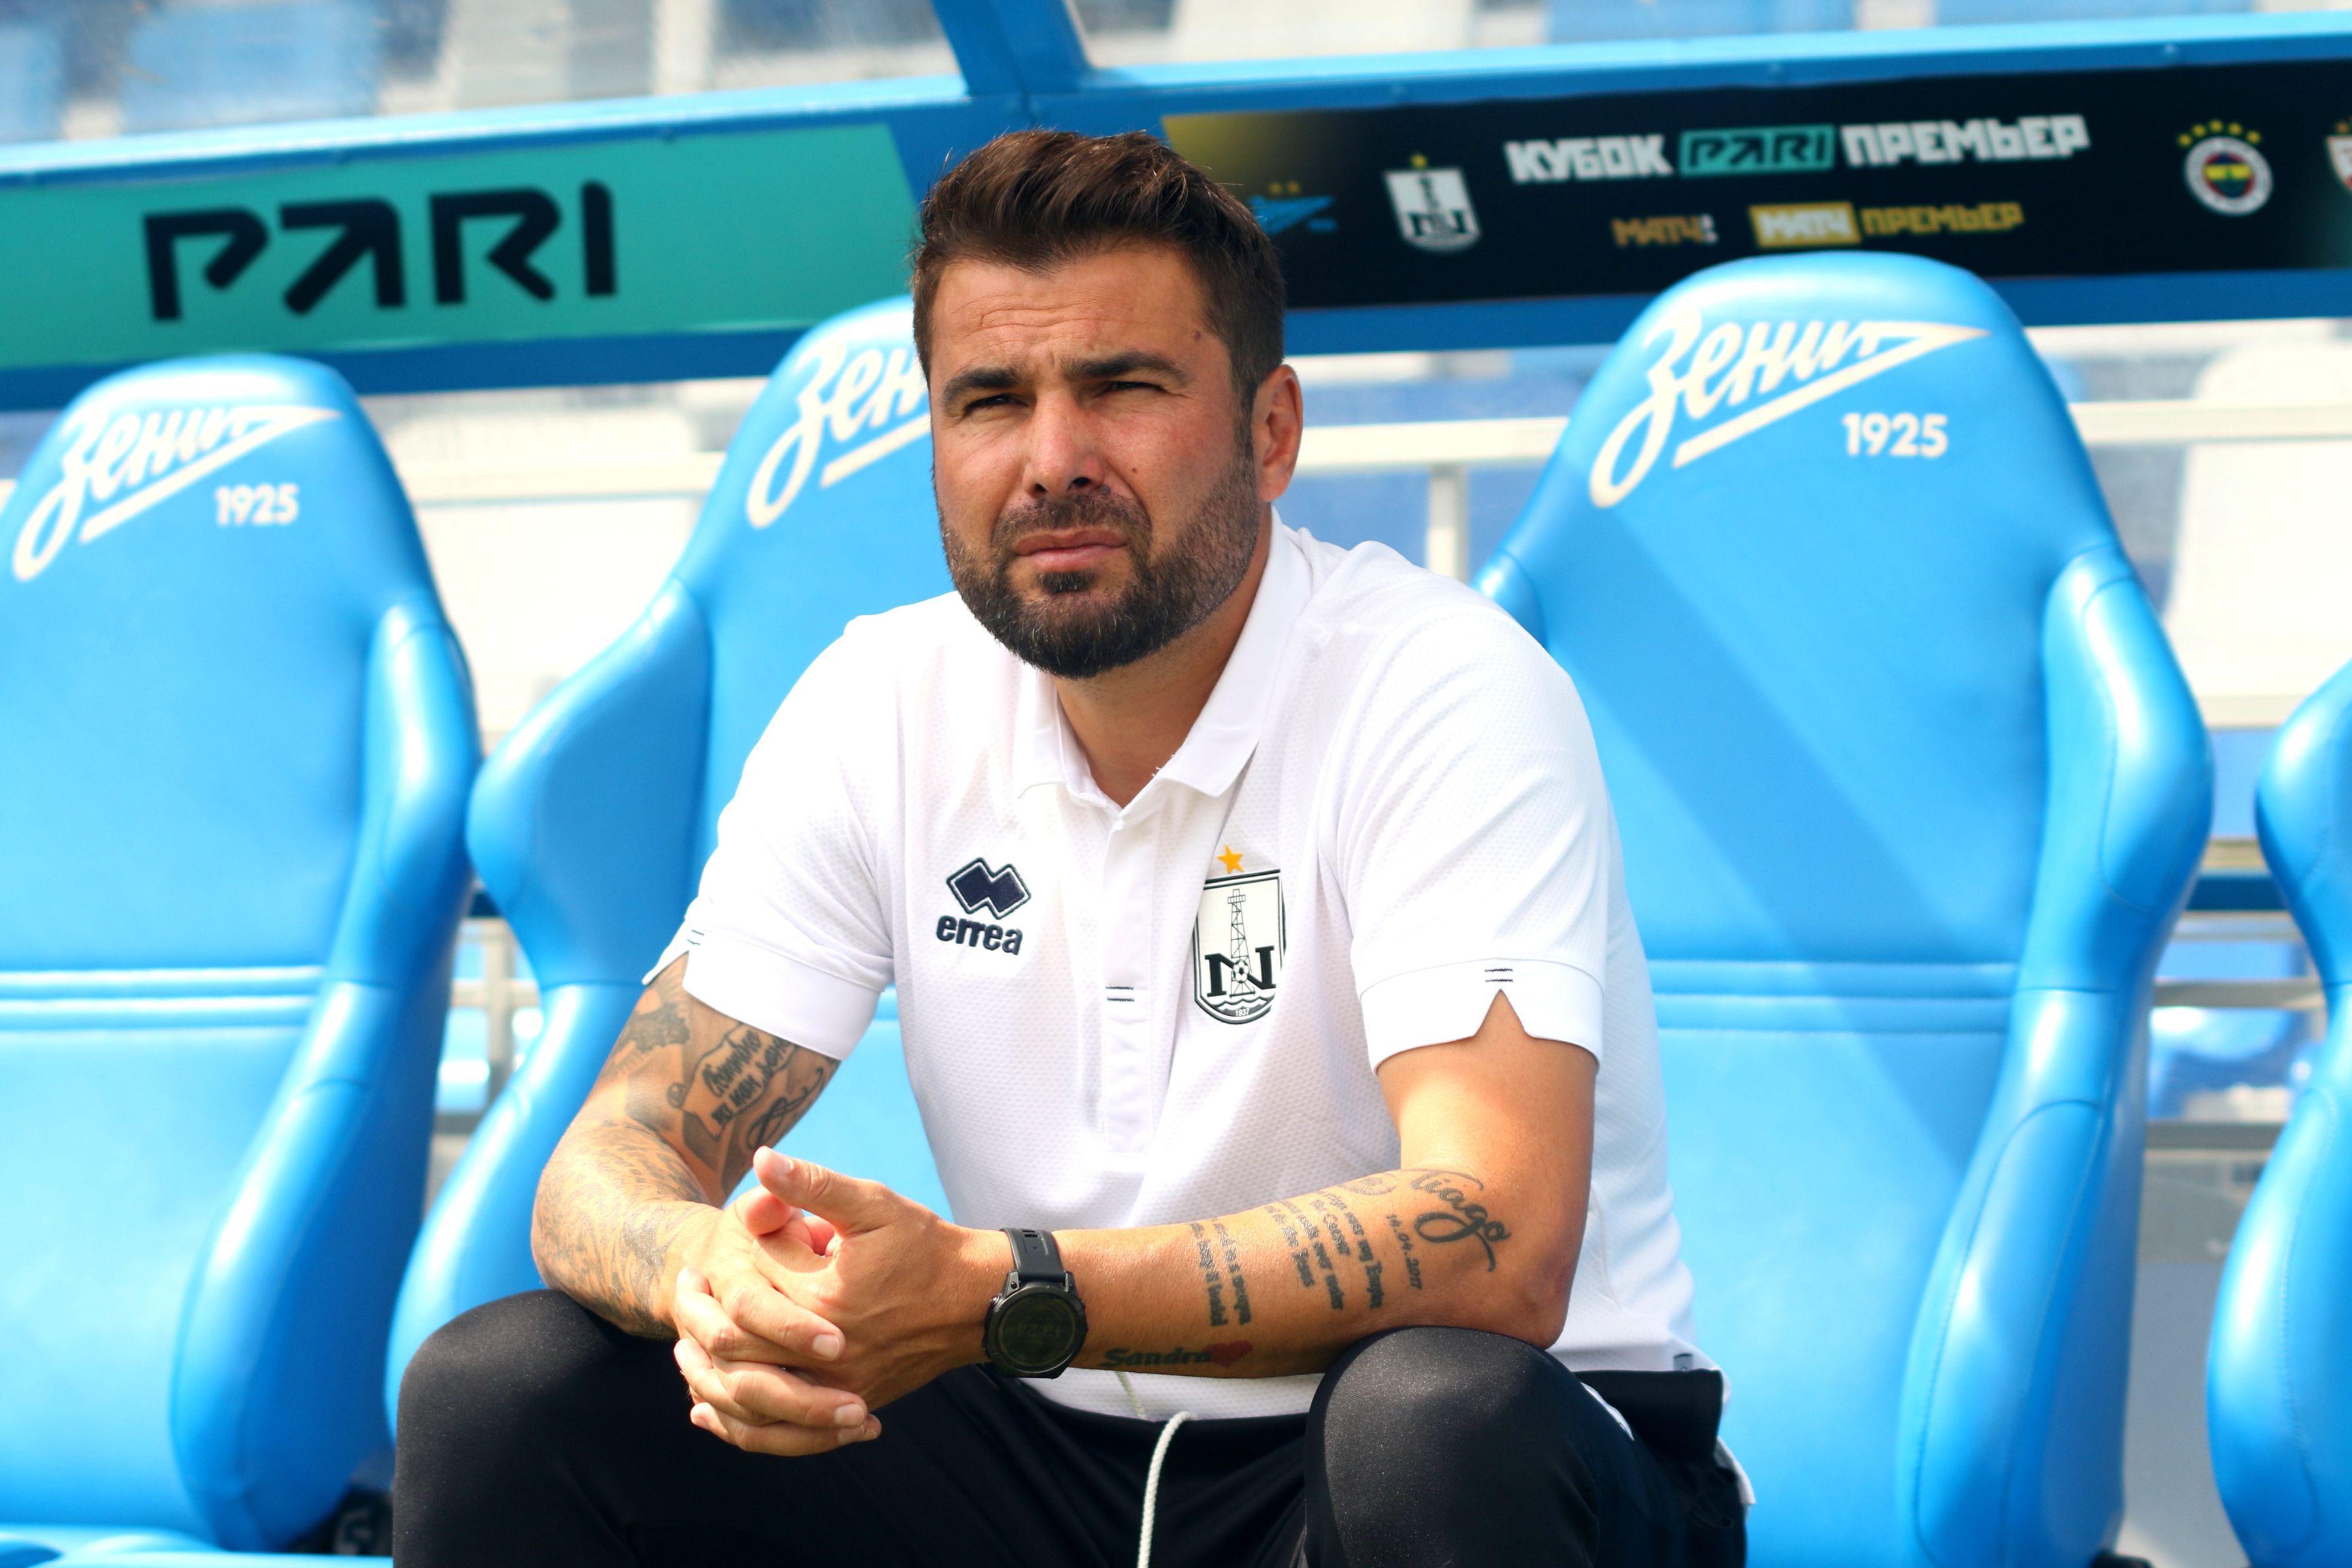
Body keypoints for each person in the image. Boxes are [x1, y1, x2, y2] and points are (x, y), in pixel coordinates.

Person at [395, 127, 1746, 1568]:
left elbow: (1496, 1245)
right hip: (1043, 1444)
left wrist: (1002, 1289)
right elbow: (612, 1159)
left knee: (1429, 1421)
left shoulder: (1439, 686)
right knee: (506, 1389)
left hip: (1468, 1457)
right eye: (990, 401)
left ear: (1272, 431)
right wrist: (711, 1277)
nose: (1052, 464)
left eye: (1123, 388)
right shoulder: (880, 697)